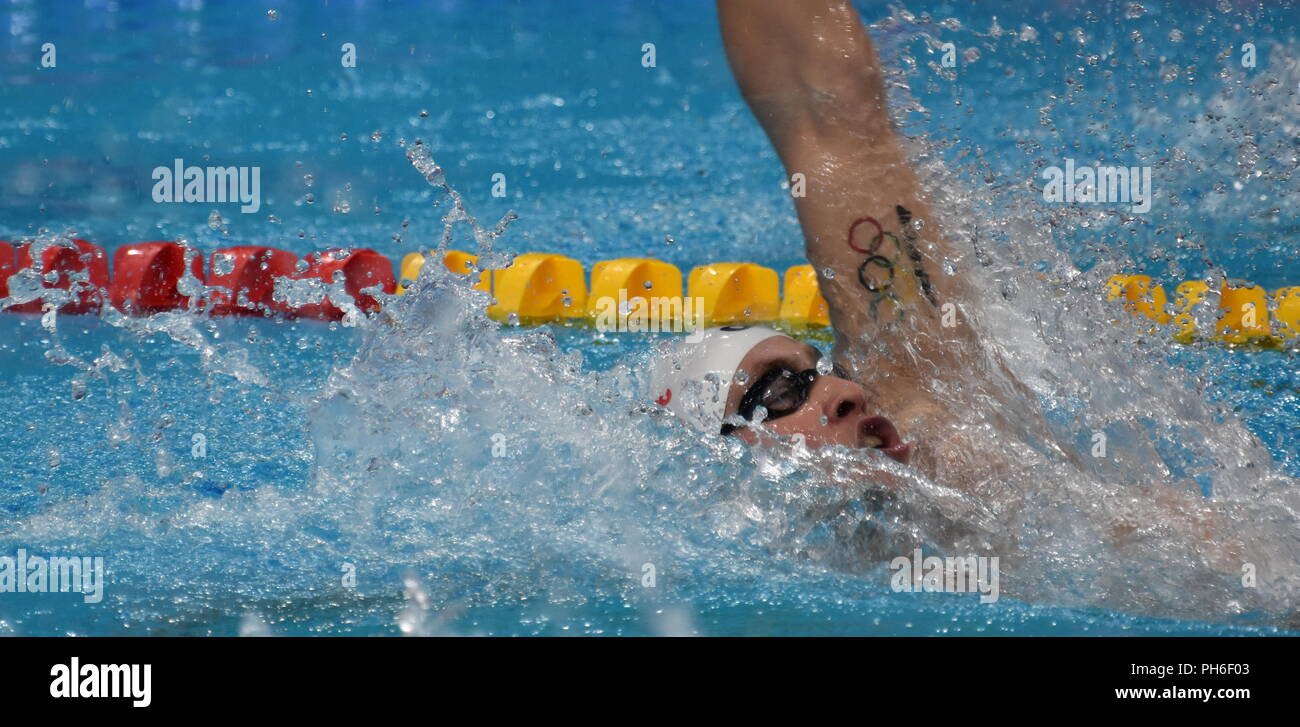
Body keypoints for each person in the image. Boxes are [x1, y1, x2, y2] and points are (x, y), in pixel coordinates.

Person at [652, 0, 1056, 495]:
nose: (849, 391)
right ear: (720, 463)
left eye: (828, 369)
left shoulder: (939, 408)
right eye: (777, 393)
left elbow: (831, 109)